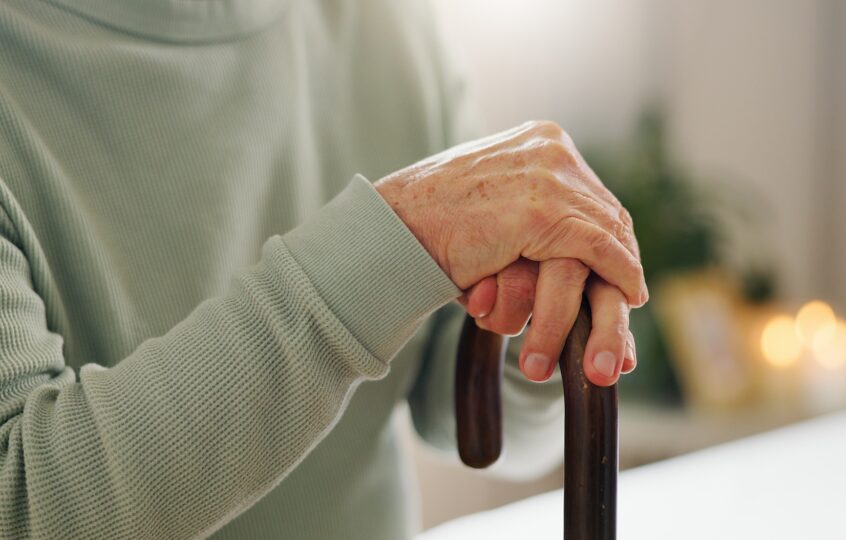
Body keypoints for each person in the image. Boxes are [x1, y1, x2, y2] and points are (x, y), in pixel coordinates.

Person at [0, 1, 646, 538]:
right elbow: (22, 506)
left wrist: (549, 319)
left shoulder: (387, 22)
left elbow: (476, 427)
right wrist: (399, 237)